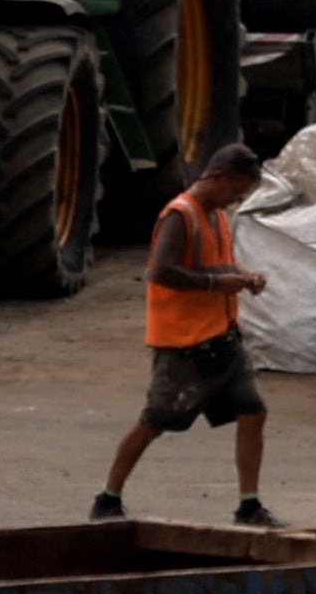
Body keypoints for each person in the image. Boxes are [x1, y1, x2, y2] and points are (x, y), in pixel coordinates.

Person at [94, 138, 272, 525]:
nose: (235, 200)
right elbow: (160, 271)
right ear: (219, 177)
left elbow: (220, 263)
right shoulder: (180, 214)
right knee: (153, 422)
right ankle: (107, 498)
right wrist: (216, 285)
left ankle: (249, 505)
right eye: (235, 191)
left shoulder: (217, 215)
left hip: (223, 339)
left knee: (253, 412)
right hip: (184, 346)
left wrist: (243, 276)